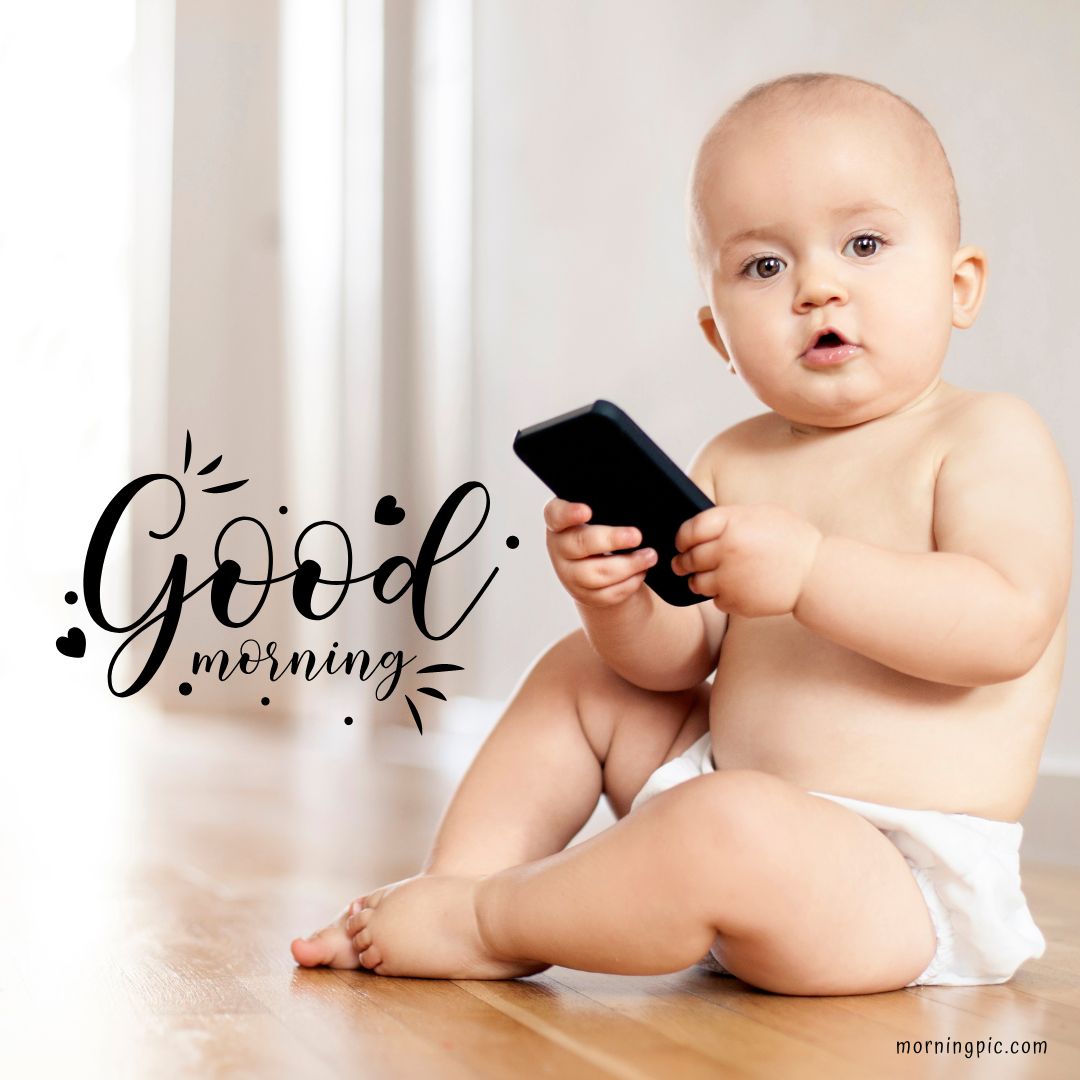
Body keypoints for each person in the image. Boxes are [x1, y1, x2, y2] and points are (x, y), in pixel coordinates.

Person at [291, 72, 1071, 994]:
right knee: (582, 675)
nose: (818, 287)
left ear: (959, 285)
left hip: (896, 886)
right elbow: (677, 661)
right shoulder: (733, 458)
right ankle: (456, 881)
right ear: (718, 335)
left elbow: (1004, 626)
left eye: (863, 243)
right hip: (718, 802)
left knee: (730, 821)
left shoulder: (983, 437)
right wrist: (616, 602)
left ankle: (488, 920)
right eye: (764, 266)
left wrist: (811, 571)